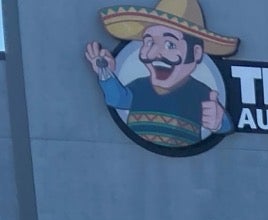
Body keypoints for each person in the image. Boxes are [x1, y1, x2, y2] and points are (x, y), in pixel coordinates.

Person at [85, 0, 238, 152]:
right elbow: (117, 99)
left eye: (170, 44)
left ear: (197, 53)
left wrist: (218, 122)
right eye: (149, 42)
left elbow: (223, 123)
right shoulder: (139, 86)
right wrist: (105, 72)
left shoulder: (201, 93)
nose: (153, 54)